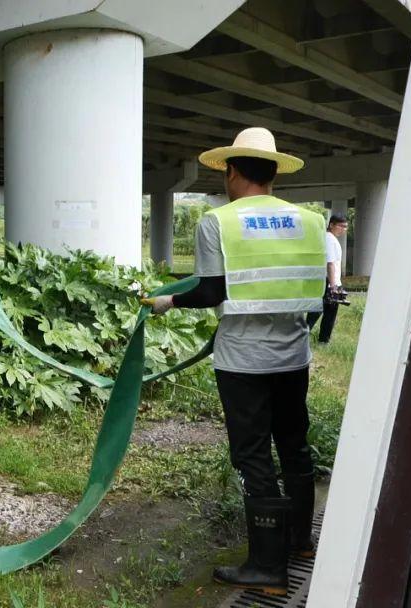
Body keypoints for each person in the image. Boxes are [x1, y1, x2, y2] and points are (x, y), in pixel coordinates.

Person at [144, 127, 325, 596]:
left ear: (231, 169)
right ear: (273, 172)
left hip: (243, 361)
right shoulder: (310, 221)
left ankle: (267, 566)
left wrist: (169, 303)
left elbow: (210, 292)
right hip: (294, 355)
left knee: (252, 454)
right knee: (293, 444)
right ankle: (300, 542)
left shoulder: (218, 222)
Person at [306, 214, 349, 343]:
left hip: (328, 281)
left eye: (345, 227)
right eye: (341, 226)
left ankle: (306, 336)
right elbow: (330, 263)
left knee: (318, 311)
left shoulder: (329, 239)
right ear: (331, 225)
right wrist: (333, 285)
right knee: (326, 313)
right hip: (329, 282)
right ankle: (323, 340)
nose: (343, 229)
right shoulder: (329, 239)